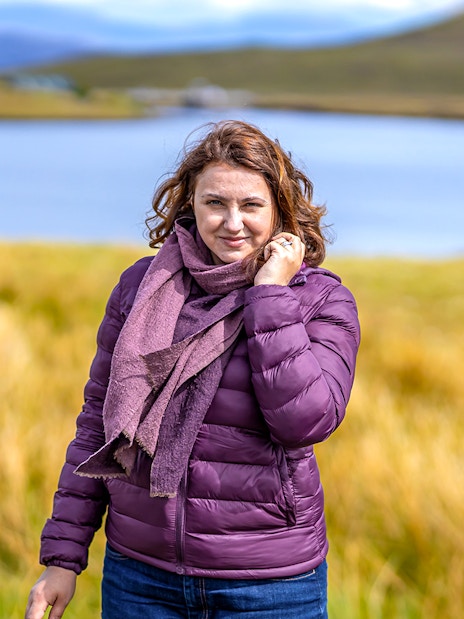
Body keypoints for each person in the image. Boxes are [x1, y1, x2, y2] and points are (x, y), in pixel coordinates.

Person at [25, 119, 360, 619]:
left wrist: (269, 296)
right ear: (191, 203)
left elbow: (304, 422)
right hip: (141, 575)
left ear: (280, 210)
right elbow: (98, 422)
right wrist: (63, 558)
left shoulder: (318, 299)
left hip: (268, 585)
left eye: (251, 205)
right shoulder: (145, 287)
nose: (232, 222)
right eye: (215, 203)